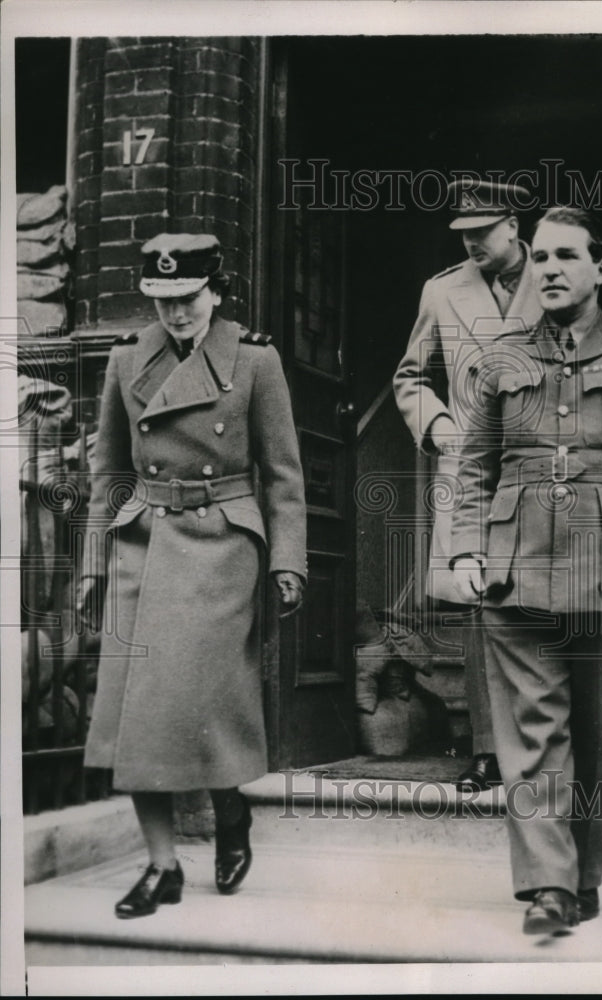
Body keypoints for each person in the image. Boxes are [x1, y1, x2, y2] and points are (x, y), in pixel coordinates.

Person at [450, 206, 602, 934]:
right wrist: (466, 547)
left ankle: (581, 880)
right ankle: (547, 888)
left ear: (600, 269)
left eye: (566, 256)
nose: (550, 269)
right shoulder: (501, 358)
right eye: (543, 258)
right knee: (532, 734)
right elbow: (474, 467)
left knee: (597, 735)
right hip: (516, 563)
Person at [77, 233, 307, 918]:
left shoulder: (256, 360)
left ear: (215, 290)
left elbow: (286, 477)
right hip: (144, 540)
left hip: (220, 543)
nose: (175, 314)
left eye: (187, 299)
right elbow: (108, 474)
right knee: (133, 711)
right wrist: (93, 561)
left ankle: (230, 809)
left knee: (204, 700)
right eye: (163, 301)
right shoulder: (126, 360)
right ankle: (161, 865)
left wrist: (288, 561)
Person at [393, 179, 541, 792]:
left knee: (542, 599)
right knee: (482, 608)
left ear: (514, 225)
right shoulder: (443, 290)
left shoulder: (557, 275)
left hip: (542, 466)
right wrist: (439, 423)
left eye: (483, 231)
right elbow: (409, 375)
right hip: (473, 468)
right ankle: (487, 748)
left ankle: (541, 747)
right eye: (464, 234)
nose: (473, 242)